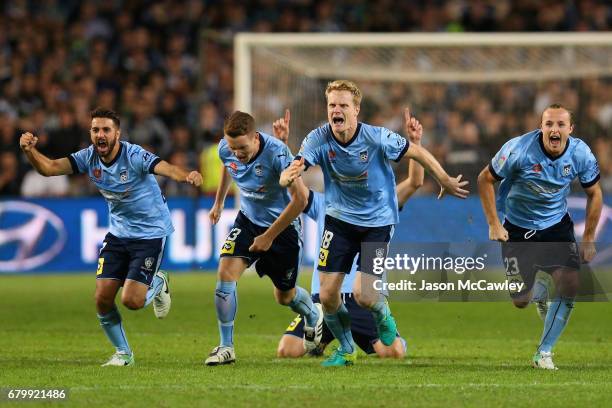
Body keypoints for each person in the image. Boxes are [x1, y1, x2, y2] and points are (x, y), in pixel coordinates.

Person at [281, 80, 469, 367]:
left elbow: (416, 162)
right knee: (328, 296)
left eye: (343, 105)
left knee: (365, 294)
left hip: (376, 226)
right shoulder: (318, 140)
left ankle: (383, 317)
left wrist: (443, 178)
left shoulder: (377, 139)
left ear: (356, 109)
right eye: (332, 105)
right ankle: (345, 350)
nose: (336, 110)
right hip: (339, 222)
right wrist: (289, 171)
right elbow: (299, 165)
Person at [19, 107, 203, 366]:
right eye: (95, 130)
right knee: (102, 298)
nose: (100, 134)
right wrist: (29, 152)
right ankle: (124, 354)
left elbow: (165, 167)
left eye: (106, 129)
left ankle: (158, 283)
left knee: (132, 301)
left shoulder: (134, 155)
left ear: (117, 133)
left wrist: (187, 175)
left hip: (150, 234)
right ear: (90, 133)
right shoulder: (88, 157)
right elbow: (49, 168)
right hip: (118, 234)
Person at [274, 108, 425, 359]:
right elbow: (297, 192)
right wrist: (283, 147)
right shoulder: (324, 203)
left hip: (361, 301)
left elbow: (415, 183)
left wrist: (416, 144)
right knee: (287, 349)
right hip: (323, 300)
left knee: (393, 353)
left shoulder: (380, 202)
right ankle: (328, 340)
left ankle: (376, 331)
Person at [477, 103, 602, 370]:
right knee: (520, 300)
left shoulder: (581, 154)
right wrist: (494, 224)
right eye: (549, 124)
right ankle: (538, 293)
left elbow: (595, 193)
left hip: (556, 227)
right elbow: (484, 179)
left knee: (570, 283)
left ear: (570, 129)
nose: (554, 129)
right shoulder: (518, 150)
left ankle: (543, 352)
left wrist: (589, 238)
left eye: (560, 125)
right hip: (517, 229)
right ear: (541, 127)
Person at [204, 111, 323, 366]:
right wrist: (219, 202)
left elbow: (301, 200)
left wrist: (269, 236)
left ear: (256, 138)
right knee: (225, 273)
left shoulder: (278, 154)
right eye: (232, 147)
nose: (237, 152)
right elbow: (229, 166)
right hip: (248, 221)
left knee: (285, 297)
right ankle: (226, 347)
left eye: (242, 147)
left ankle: (313, 315)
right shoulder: (226, 148)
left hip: (283, 230)